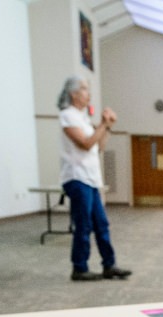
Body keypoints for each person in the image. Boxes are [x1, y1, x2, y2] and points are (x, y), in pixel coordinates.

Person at [57, 76, 131, 282]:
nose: (88, 94)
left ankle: (109, 265)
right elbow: (86, 144)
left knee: (101, 224)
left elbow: (99, 146)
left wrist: (106, 126)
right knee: (84, 224)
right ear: (73, 94)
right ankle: (79, 267)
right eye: (84, 89)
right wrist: (101, 124)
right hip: (77, 177)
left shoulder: (83, 118)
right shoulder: (68, 116)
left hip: (91, 179)